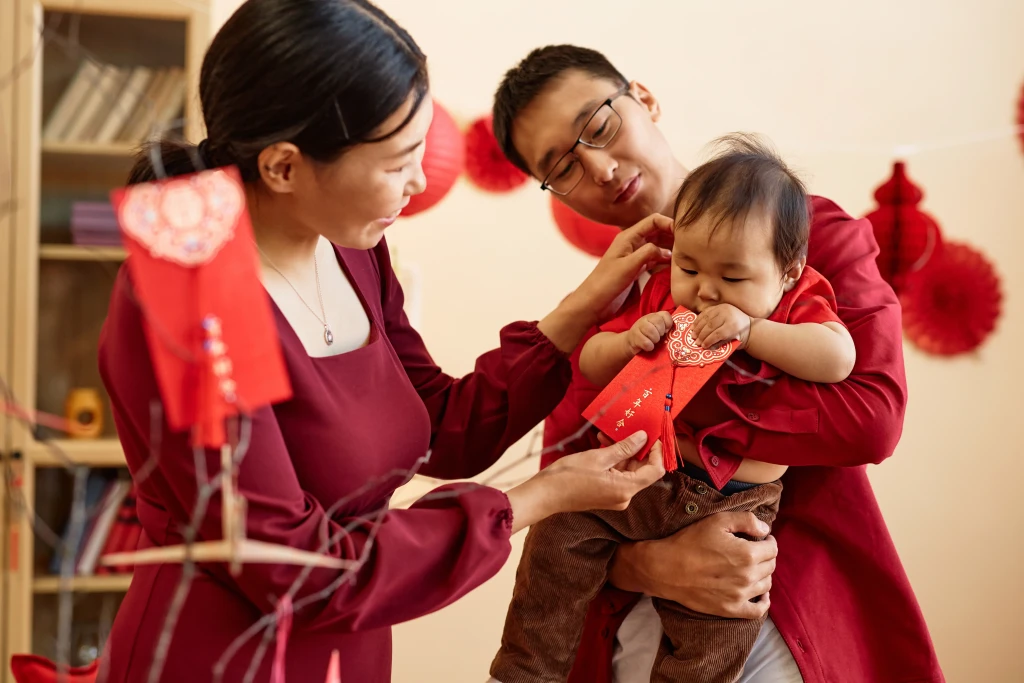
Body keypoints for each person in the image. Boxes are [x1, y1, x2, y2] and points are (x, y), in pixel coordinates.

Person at [95, 5, 675, 682]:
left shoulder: (350, 248)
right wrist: (534, 497)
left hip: (351, 644)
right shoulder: (185, 282)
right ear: (284, 167)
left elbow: (439, 426)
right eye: (399, 162)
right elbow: (295, 567)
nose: (420, 183)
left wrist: (583, 305)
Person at [489, 45, 944, 683]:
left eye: (598, 126)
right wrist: (649, 563)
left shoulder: (810, 236)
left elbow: (869, 420)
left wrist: (681, 417)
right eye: (561, 166)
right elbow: (569, 482)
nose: (597, 166)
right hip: (629, 627)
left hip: (783, 604)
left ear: (643, 98)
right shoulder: (607, 304)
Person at [491, 138, 855, 683]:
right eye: (689, 265)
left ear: (787, 269)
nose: (706, 291)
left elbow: (838, 358)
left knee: (717, 625)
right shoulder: (663, 293)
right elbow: (589, 362)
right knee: (559, 534)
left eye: (733, 278)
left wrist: (753, 330)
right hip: (646, 479)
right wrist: (629, 339)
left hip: (734, 503)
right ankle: (525, 671)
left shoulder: (800, 297)